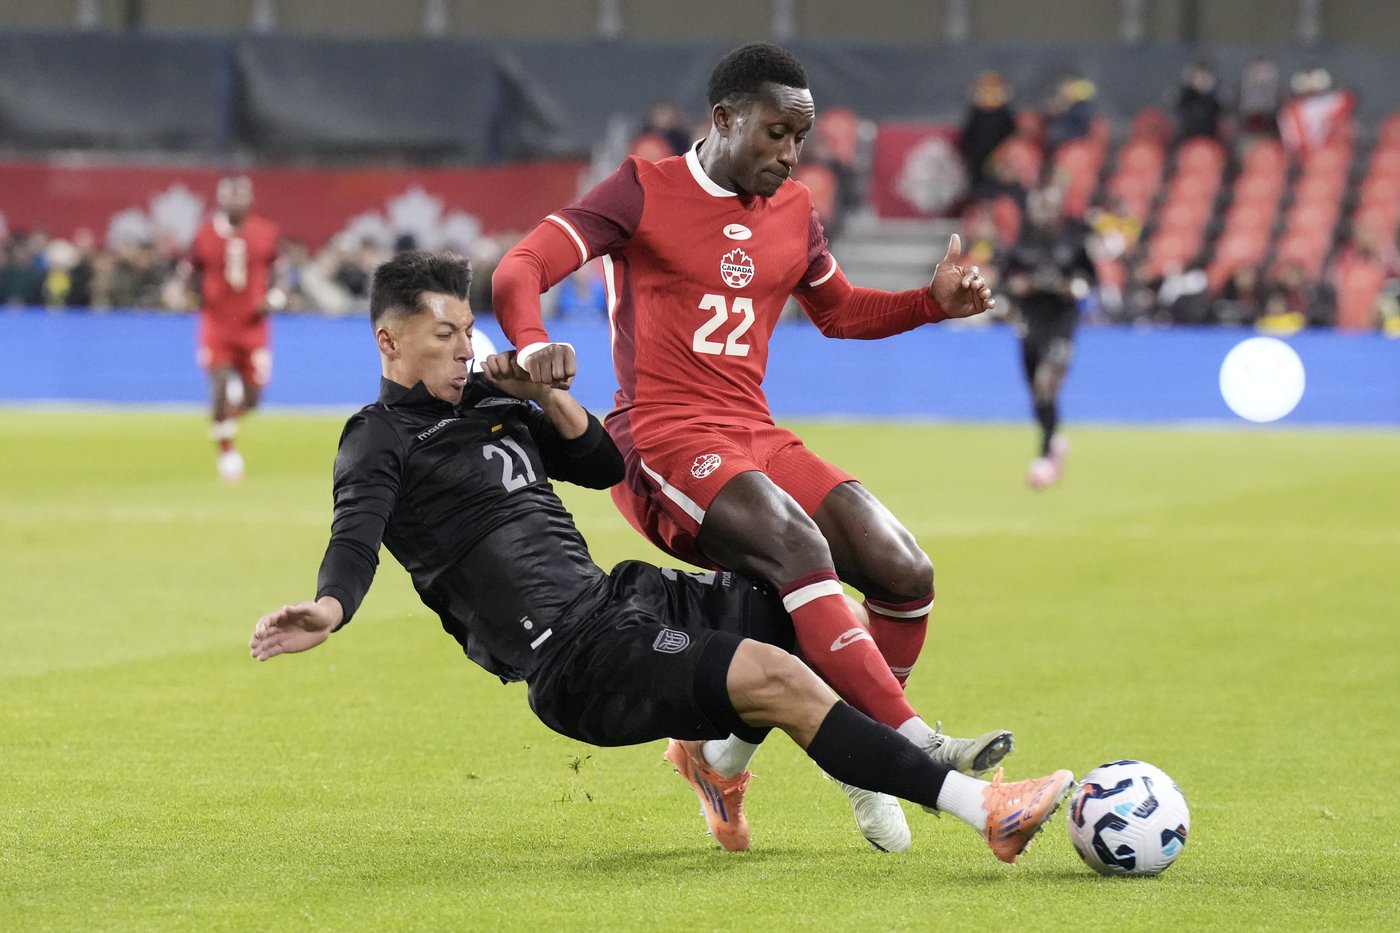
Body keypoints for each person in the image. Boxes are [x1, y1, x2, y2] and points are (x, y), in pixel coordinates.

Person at [247, 250, 1074, 861]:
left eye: (469, 330)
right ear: (389, 342)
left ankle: (716, 762)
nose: (467, 347)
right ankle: (986, 810)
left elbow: (603, 464)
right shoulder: (378, 439)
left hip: (620, 601)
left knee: (799, 606)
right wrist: (327, 607)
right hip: (573, 660)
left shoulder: (492, 400)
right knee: (778, 677)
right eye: (445, 335)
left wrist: (543, 396)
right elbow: (354, 540)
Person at [491, 43, 1005, 852]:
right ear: (725, 119)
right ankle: (909, 743)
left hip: (753, 431)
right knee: (798, 549)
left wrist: (929, 303)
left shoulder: (795, 209)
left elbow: (840, 312)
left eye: (799, 137)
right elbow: (520, 267)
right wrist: (530, 343)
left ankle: (733, 758)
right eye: (775, 133)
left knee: (903, 570)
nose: (790, 153)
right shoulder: (642, 189)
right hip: (661, 437)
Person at [1000, 185, 1095, 489]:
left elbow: (1089, 280)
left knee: (1046, 385)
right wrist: (1019, 287)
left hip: (1060, 325)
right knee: (1036, 396)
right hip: (1031, 325)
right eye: (1038, 207)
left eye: (1048, 207)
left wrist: (1072, 287)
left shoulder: (1073, 245)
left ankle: (1044, 457)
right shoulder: (1020, 246)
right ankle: (1054, 441)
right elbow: (1004, 282)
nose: (1042, 213)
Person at [188, 176, 281, 483]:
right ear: (220, 199)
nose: (236, 201)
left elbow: (279, 271)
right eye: (230, 196)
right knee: (217, 386)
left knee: (253, 400)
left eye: (241, 196)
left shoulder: (266, 232)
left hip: (253, 327)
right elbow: (191, 272)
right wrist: (189, 293)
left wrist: (276, 295)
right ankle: (227, 451)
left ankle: (226, 419)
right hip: (217, 324)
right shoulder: (204, 235)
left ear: (250, 200)